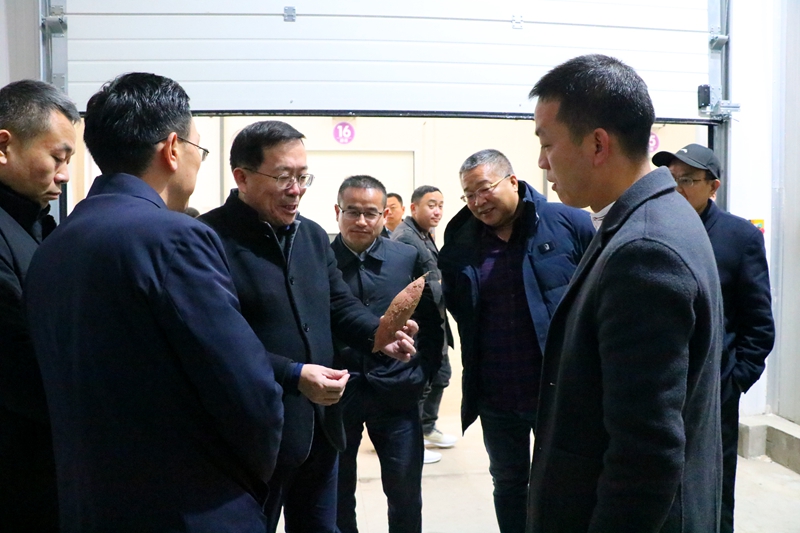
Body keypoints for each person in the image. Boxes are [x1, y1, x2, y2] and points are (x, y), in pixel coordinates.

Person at [24, 72, 285, 533]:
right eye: (199, 149)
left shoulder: (54, 246)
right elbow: (249, 392)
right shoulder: (173, 238)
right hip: (189, 506)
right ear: (172, 149)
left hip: (89, 506)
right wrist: (249, 482)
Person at [527, 54, 724, 532]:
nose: (542, 162)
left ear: (598, 144)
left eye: (547, 144)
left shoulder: (645, 250)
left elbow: (646, 454)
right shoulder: (653, 218)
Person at [199, 120, 418, 533]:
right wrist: (294, 374)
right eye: (284, 177)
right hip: (251, 436)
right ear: (242, 177)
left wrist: (379, 334)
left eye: (303, 177)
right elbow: (213, 343)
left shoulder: (312, 237)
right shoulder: (208, 239)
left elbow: (338, 304)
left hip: (319, 428)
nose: (296, 189)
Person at [439, 149, 594, 533]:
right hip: (496, 395)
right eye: (468, 195)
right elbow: (458, 307)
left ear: (512, 181)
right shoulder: (460, 240)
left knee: (564, 483)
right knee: (508, 483)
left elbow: (599, 296)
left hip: (557, 391)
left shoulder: (568, 222)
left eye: (484, 189)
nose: (477, 201)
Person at [652, 143, 775, 533]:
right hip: (662, 386)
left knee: (713, 486)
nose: (677, 188)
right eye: (670, 179)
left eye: (687, 180)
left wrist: (734, 382)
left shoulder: (739, 237)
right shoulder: (657, 228)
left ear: (713, 186)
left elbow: (759, 323)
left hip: (715, 390)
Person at [331, 175, 444, 533]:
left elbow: (431, 321)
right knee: (337, 492)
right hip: (339, 391)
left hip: (397, 392)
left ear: (384, 215)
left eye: (371, 213)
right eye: (352, 211)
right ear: (337, 212)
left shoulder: (405, 257)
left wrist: (422, 374)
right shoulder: (321, 260)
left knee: (405, 492)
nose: (361, 221)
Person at [0, 79, 78, 531]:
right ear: (4, 147)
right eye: (57, 157)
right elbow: (16, 359)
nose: (64, 175)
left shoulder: (37, 225)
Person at [391, 186, 457, 459]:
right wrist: (444, 284)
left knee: (441, 376)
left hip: (435, 322)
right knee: (420, 384)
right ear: (414, 207)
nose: (437, 211)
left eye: (441, 205)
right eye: (431, 205)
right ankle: (414, 443)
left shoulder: (425, 235)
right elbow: (408, 287)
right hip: (418, 326)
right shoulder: (406, 238)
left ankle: (428, 428)